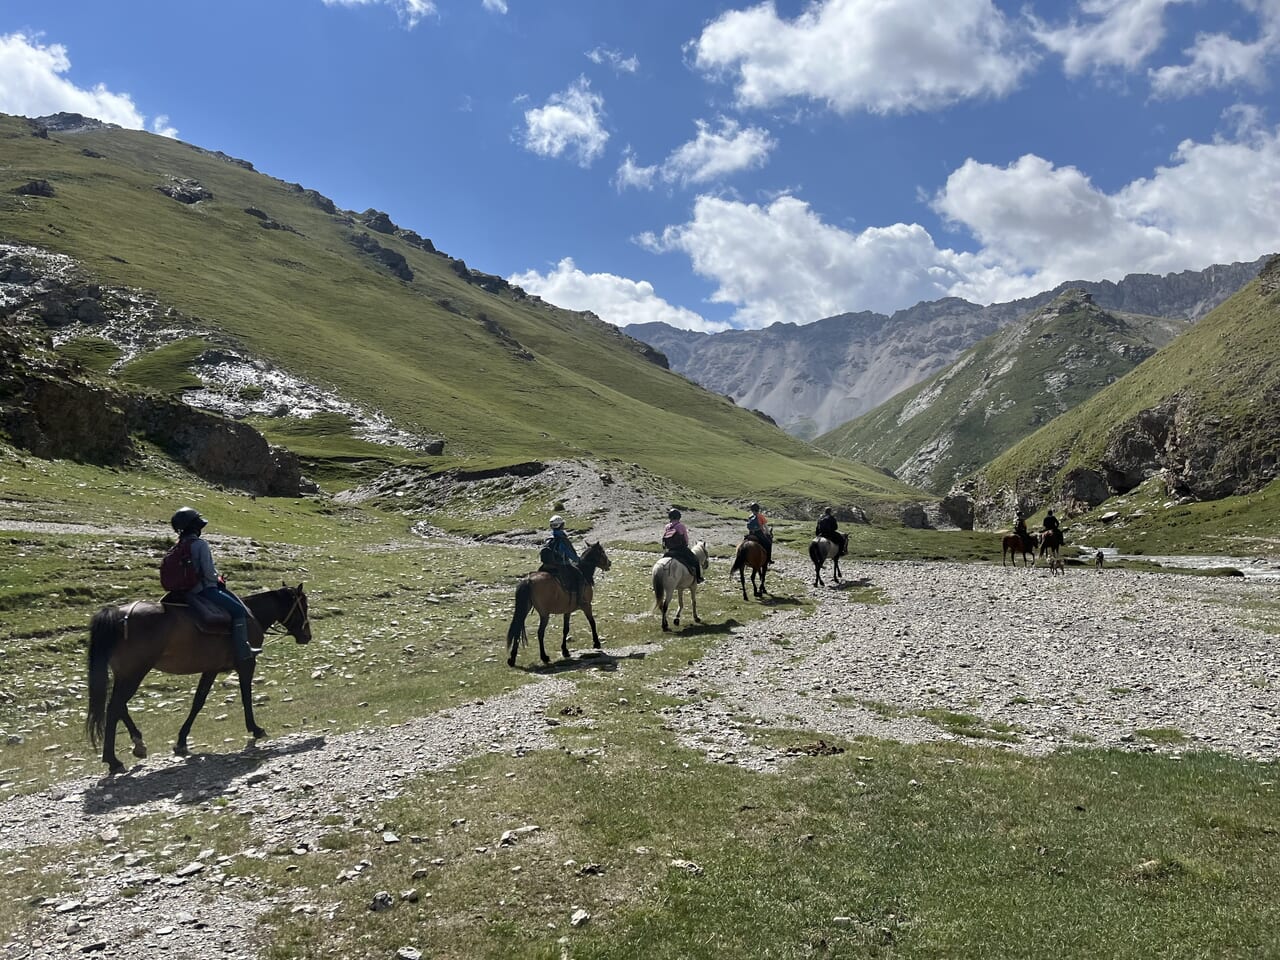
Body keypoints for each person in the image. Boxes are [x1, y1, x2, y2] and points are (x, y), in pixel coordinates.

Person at [170, 507, 257, 666]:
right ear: (194, 527)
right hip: (204, 590)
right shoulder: (200, 544)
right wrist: (218, 578)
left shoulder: (178, 545)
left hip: (184, 591)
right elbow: (209, 573)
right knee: (238, 610)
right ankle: (242, 650)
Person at [540, 514, 584, 599]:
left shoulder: (549, 538)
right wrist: (578, 560)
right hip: (561, 564)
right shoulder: (562, 538)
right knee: (579, 576)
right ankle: (579, 600)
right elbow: (571, 554)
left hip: (546, 565)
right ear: (561, 525)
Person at [661, 508, 703, 582]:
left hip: (670, 550)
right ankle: (699, 578)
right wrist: (686, 545)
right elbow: (685, 539)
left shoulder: (667, 526)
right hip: (681, 549)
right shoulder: (681, 526)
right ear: (678, 517)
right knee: (695, 560)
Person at [745, 501, 774, 567]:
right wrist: (768, 533)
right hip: (759, 533)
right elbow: (765, 527)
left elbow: (748, 526)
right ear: (758, 509)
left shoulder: (750, 516)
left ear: (751, 509)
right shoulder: (761, 516)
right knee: (768, 544)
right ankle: (768, 559)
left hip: (751, 534)